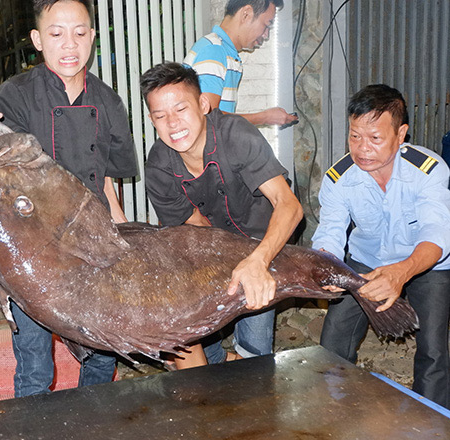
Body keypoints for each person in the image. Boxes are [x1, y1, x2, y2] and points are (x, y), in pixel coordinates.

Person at [0, 0, 138, 396]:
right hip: (33, 248)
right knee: (36, 363)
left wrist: (122, 234)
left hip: (93, 243)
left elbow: (106, 175)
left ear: (92, 36)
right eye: (56, 34)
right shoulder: (13, 97)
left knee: (102, 352)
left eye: (79, 32)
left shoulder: (108, 101)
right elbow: (3, 181)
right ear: (38, 40)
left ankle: (92, 423)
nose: (69, 44)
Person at [141, 62, 302, 368]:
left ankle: (254, 378)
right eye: (161, 116)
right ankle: (217, 366)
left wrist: (258, 261)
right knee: (189, 325)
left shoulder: (236, 136)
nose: (172, 124)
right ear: (152, 120)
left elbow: (289, 205)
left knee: (253, 340)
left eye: (181, 109)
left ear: (203, 104)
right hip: (215, 246)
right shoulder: (159, 166)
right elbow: (193, 227)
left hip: (265, 241)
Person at [312, 84, 450, 408]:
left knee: (433, 348)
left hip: (427, 264)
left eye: (375, 138)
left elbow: (437, 236)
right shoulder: (338, 178)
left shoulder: (428, 172)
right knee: (332, 342)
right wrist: (325, 266)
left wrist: (401, 273)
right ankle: (329, 412)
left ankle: (430, 419)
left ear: (401, 134)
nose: (362, 149)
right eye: (354, 136)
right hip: (365, 260)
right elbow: (330, 233)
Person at [183, 0, 298, 127]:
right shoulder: (213, 51)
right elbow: (209, 118)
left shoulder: (223, 52)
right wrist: (264, 118)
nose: (266, 35)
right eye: (266, 25)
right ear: (246, 14)